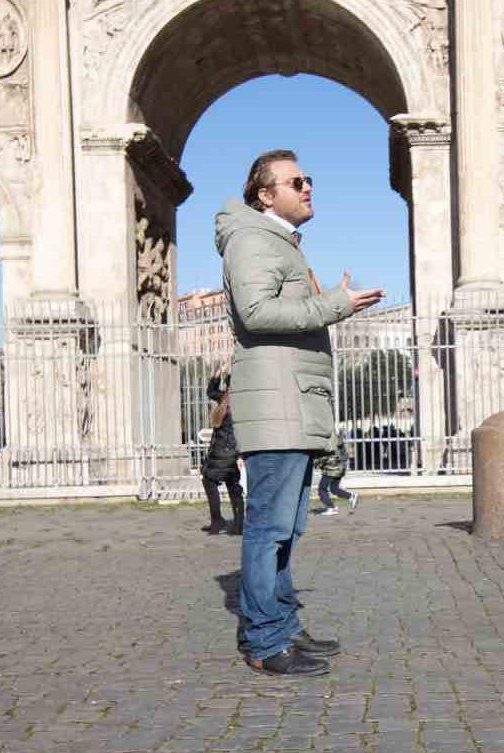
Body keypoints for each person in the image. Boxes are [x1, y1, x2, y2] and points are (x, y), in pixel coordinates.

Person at [219, 148, 386, 677]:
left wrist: (333, 300)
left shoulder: (277, 243)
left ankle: (284, 626)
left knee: (287, 529)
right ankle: (266, 643)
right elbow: (256, 312)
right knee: (268, 529)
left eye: (307, 178)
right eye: (295, 182)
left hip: (292, 404)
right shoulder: (250, 240)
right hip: (276, 408)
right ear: (265, 194)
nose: (307, 187)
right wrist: (339, 304)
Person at [200, 366, 243, 535]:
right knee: (233, 486)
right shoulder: (228, 399)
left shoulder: (231, 401)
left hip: (224, 451)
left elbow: (211, 392)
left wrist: (220, 372)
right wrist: (219, 371)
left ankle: (218, 521)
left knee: (209, 480)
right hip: (230, 451)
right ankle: (238, 524)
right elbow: (211, 391)